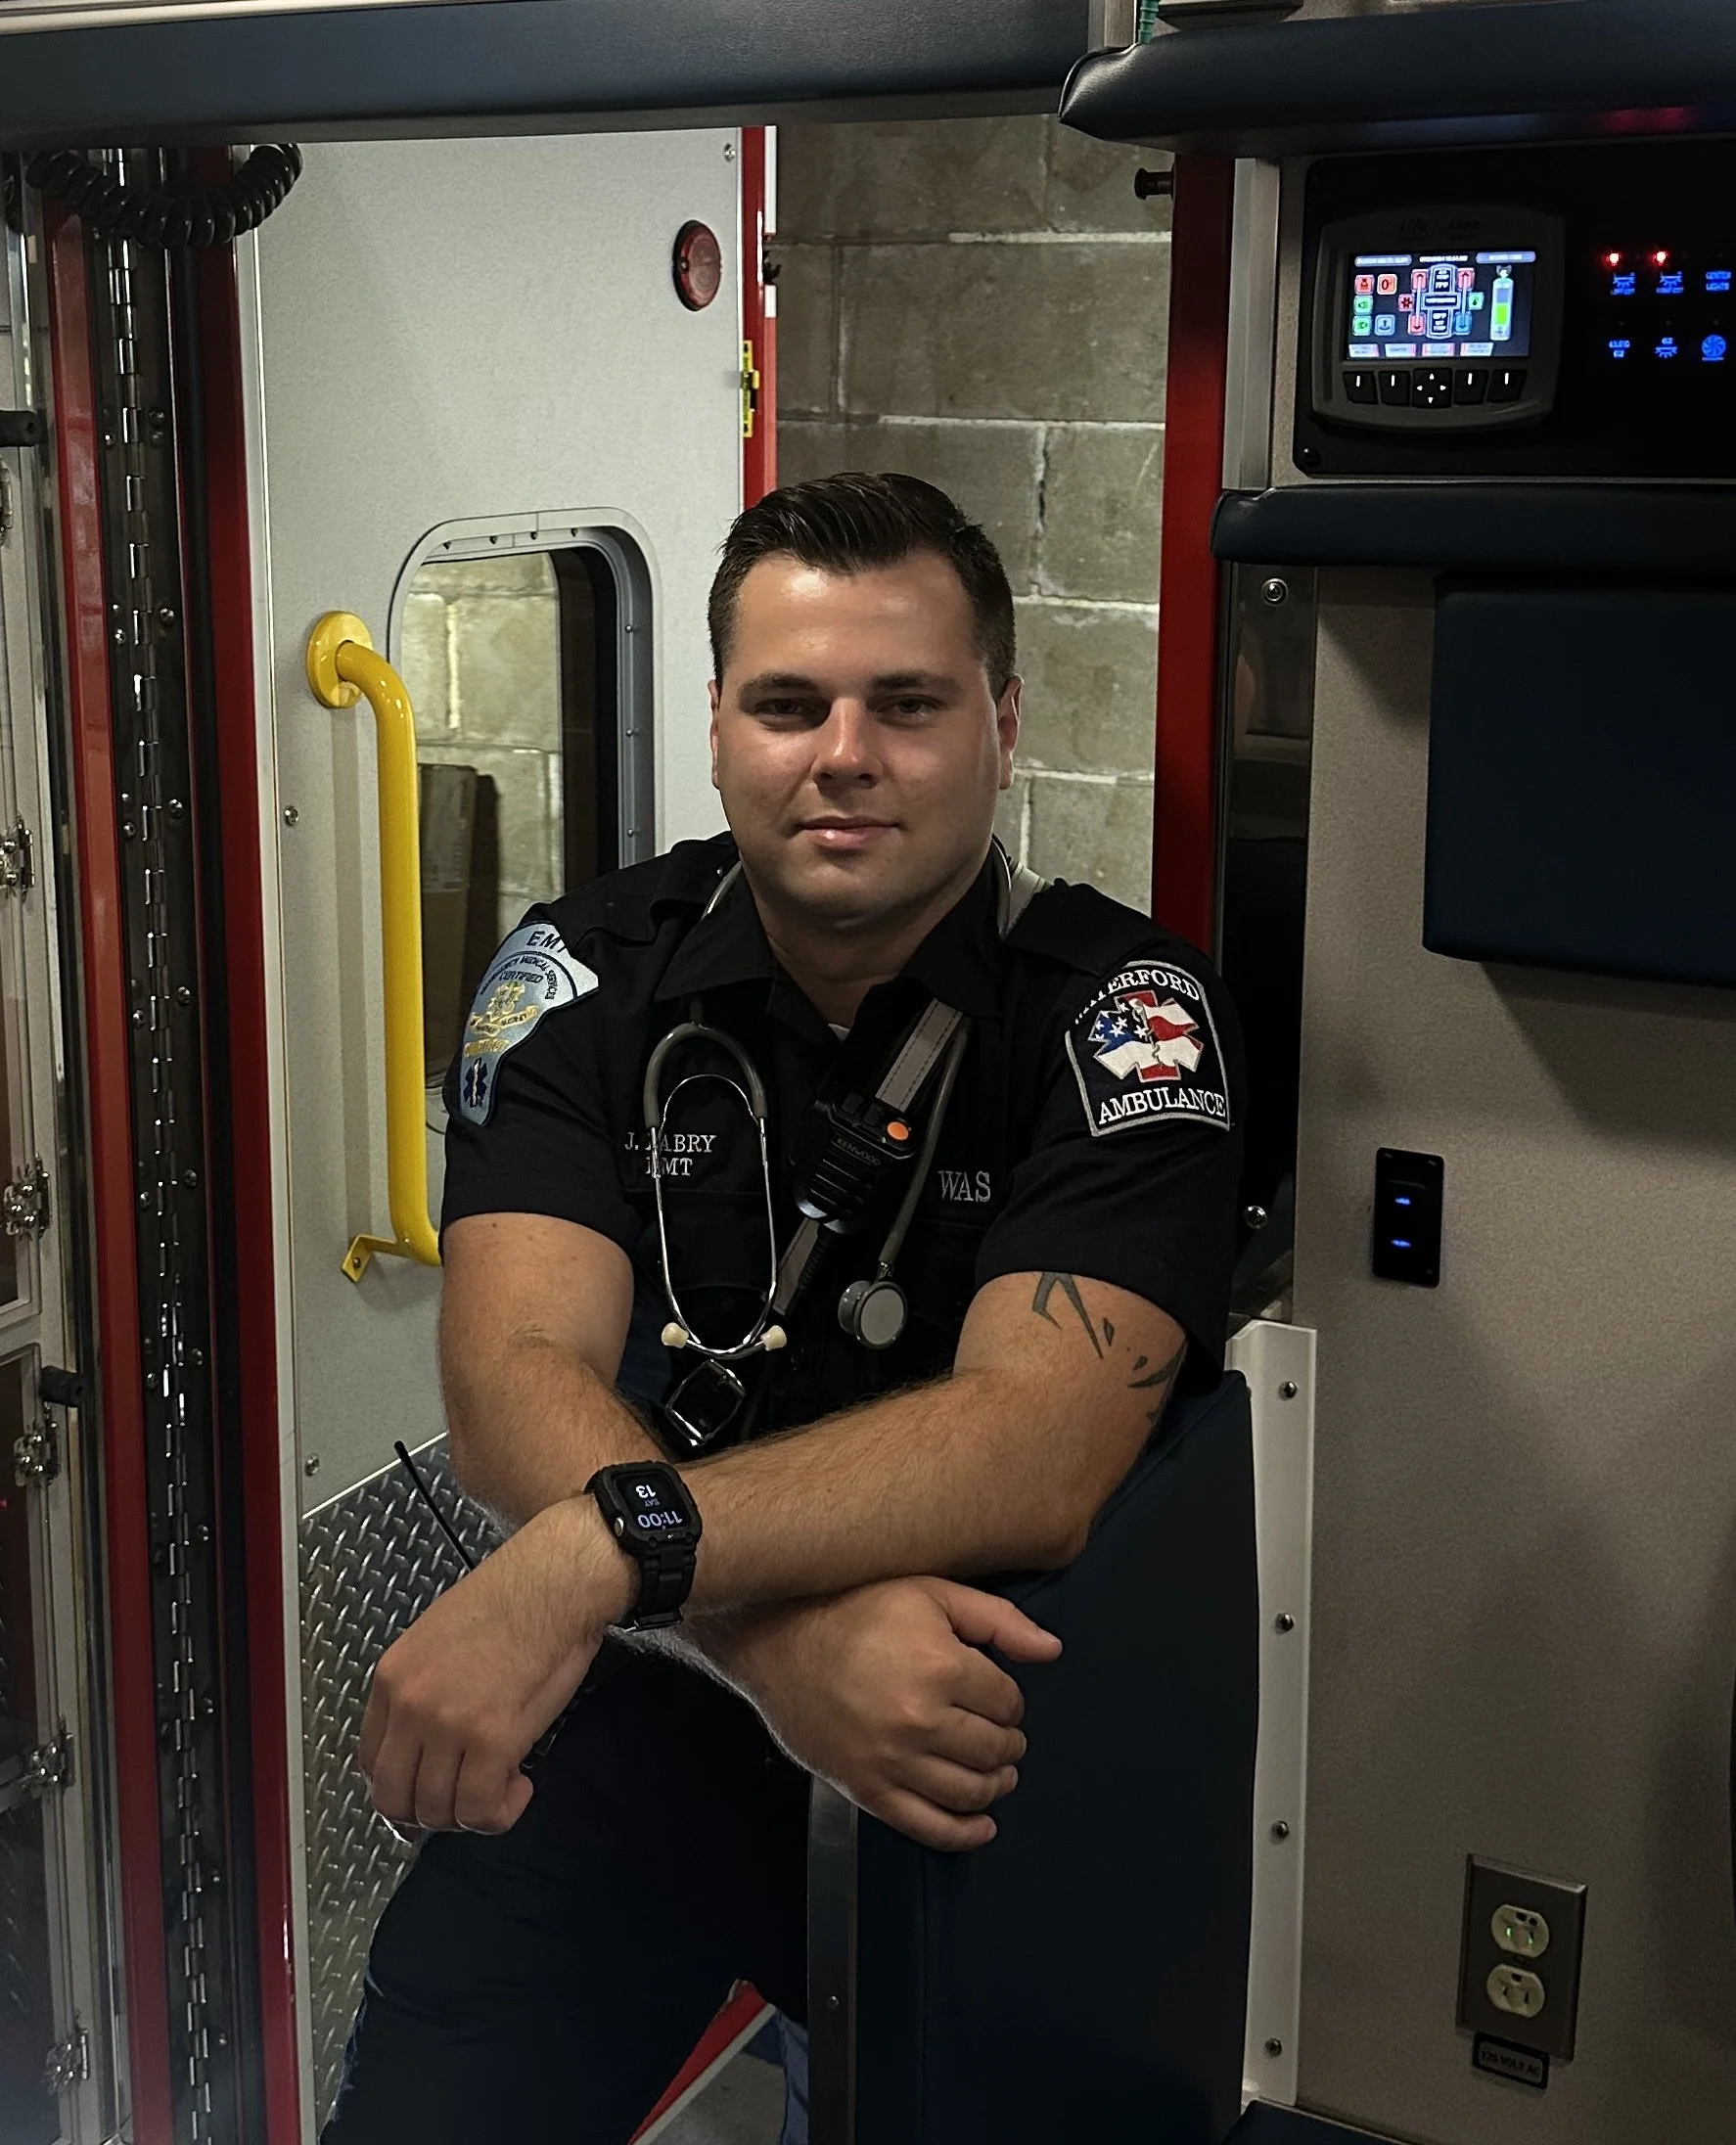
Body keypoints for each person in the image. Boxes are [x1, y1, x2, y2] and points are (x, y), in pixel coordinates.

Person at [322, 472, 1245, 2143]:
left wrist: (594, 1555)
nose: (844, 754)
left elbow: (1033, 1448)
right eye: (787, 704)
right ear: (715, 725)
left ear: (1001, 724)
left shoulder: (1121, 1016)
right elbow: (512, 1374)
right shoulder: (581, 976)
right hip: (651, 1712)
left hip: (960, 1749)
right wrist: (770, 1649)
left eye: (908, 703)